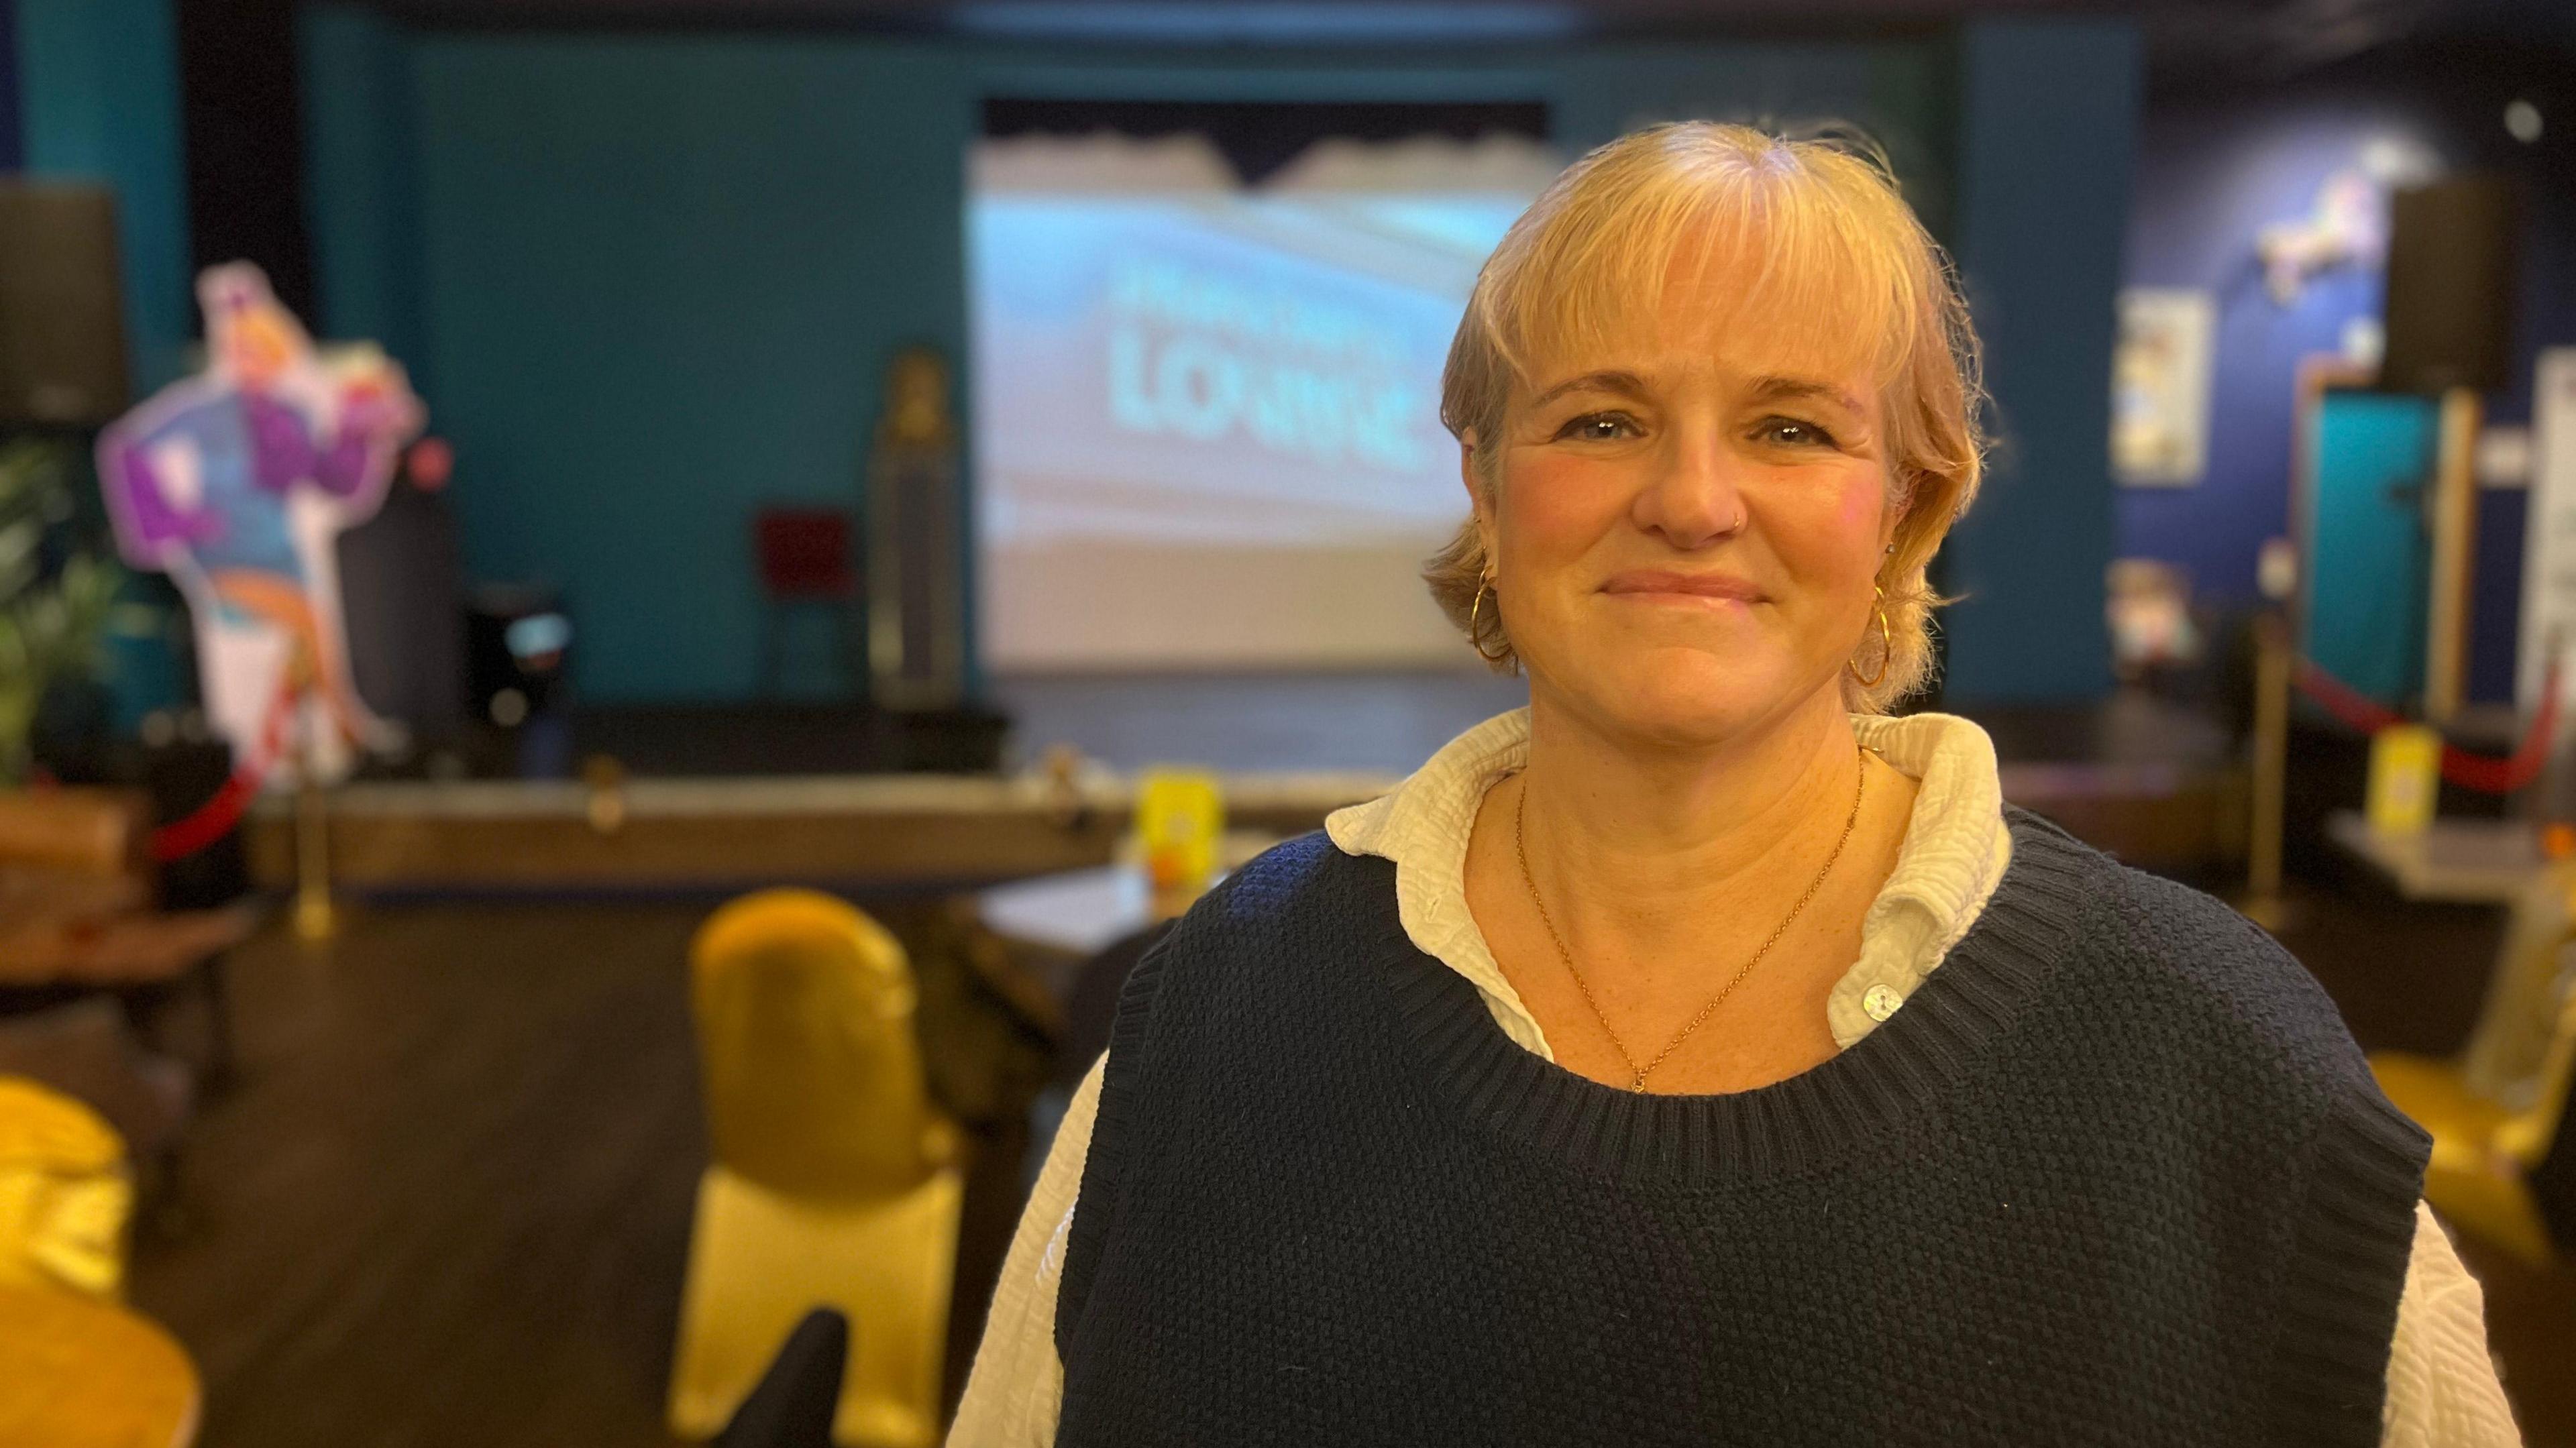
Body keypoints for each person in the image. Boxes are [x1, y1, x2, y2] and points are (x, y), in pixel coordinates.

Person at [952, 122, 2518, 1446]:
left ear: (1906, 510)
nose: (1693, 500)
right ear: (1486, 489)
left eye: (1790, 427)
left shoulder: (2221, 1069)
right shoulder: (1214, 1019)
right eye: (1602, 419)